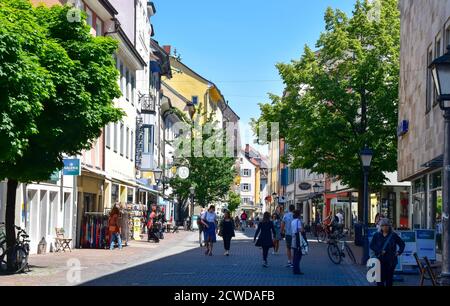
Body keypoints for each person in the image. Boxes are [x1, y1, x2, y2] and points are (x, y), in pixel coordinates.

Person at [370, 218, 405, 287]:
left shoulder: (393, 235)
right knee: (379, 279)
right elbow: (372, 245)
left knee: (389, 279)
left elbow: (402, 244)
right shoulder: (377, 235)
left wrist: (399, 252)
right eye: (383, 225)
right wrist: (379, 251)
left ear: (389, 226)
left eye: (386, 225)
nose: (385, 227)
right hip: (380, 260)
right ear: (380, 226)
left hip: (391, 260)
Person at [291, 210, 305, 275]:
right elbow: (300, 230)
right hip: (298, 239)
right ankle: (297, 270)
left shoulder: (292, 221)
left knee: (295, 254)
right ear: (298, 215)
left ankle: (295, 268)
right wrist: (303, 228)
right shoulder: (298, 221)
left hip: (293, 238)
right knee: (298, 255)